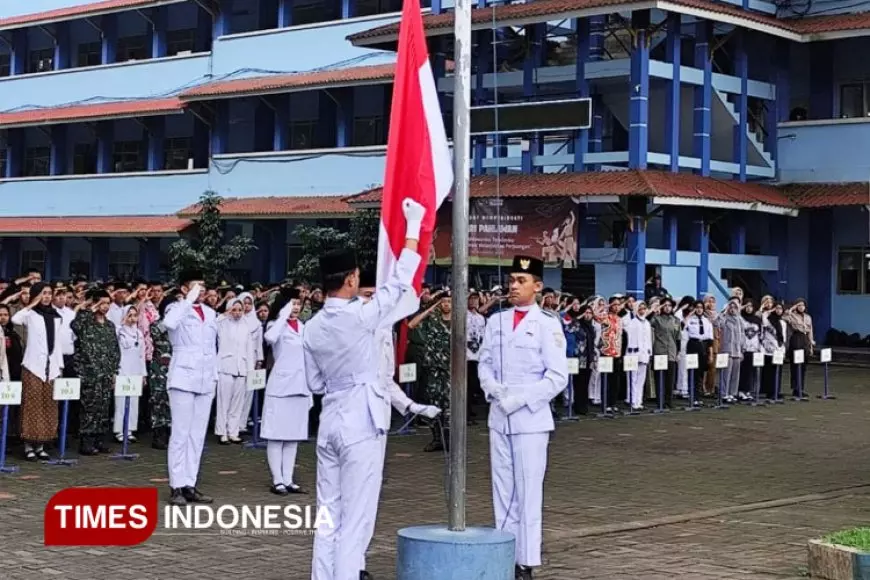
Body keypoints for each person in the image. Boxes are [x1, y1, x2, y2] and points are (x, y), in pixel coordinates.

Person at [303, 197, 425, 580]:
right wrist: (413, 227)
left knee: (328, 515)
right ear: (352, 280)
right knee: (356, 520)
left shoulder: (311, 328)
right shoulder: (359, 316)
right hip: (362, 421)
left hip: (331, 419)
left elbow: (314, 383)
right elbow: (400, 281)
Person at [478, 255, 569, 580]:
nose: (513, 286)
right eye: (512, 280)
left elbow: (558, 376)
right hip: (499, 415)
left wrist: (520, 398)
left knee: (528, 490)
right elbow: (484, 363)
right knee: (502, 489)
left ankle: (525, 561)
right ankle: (505, 551)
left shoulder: (547, 324)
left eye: (521, 281)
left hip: (530, 418)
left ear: (537, 286)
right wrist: (495, 390)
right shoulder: (496, 321)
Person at [163, 270, 218, 506]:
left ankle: (189, 483)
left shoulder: (210, 313)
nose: (201, 291)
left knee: (197, 435)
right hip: (183, 377)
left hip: (206, 377)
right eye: (196, 286)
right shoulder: (175, 309)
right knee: (180, 434)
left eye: (203, 287)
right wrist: (187, 300)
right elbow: (168, 324)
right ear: (184, 289)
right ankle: (176, 485)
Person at [262, 289, 311, 495]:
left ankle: (289, 479)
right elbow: (270, 338)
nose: (296, 308)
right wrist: (282, 315)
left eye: (298, 304)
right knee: (276, 436)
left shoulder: (303, 327)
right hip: (280, 387)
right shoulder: (276, 325)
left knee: (293, 437)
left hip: (300, 387)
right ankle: (277, 480)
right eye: (292, 303)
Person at [13, 282, 64, 460]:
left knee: (48, 406)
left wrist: (60, 366)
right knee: (31, 406)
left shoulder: (57, 316)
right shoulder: (30, 315)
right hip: (33, 366)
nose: (47, 297)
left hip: (52, 367)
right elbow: (15, 319)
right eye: (43, 293)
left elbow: (57, 343)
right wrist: (32, 304)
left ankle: (41, 445)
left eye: (49, 293)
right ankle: (28, 446)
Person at [215, 297, 256, 445]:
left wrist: (250, 370)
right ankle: (222, 432)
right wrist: (227, 313)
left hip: (242, 368)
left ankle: (233, 431)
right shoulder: (223, 324)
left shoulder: (246, 327)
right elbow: (216, 321)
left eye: (240, 310)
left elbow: (249, 350)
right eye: (235, 309)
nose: (238, 313)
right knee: (223, 402)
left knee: (237, 403)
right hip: (225, 366)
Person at [149, 292, 176, 450]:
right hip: (159, 369)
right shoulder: (157, 324)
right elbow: (156, 332)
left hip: (175, 368)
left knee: (173, 401)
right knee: (159, 401)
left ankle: (171, 432)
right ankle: (159, 434)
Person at [115, 306, 146, 442]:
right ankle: (119, 430)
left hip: (135, 370)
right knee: (121, 402)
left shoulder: (139, 333)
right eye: (130, 315)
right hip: (122, 369)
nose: (132, 318)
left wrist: (143, 374)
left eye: (135, 315)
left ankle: (129, 429)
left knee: (134, 401)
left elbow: (142, 355)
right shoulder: (118, 331)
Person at [649, 296, 681, 409]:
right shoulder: (656, 319)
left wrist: (678, 352)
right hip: (659, 350)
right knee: (659, 378)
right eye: (665, 305)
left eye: (669, 306)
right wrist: (655, 309)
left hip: (671, 351)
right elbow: (648, 321)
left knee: (670, 378)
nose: (667, 308)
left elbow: (678, 338)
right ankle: (660, 401)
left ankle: (669, 400)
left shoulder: (676, 320)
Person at [714, 298, 746, 404]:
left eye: (735, 307)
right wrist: (723, 312)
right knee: (725, 373)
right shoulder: (724, 318)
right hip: (726, 349)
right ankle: (724, 393)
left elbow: (742, 335)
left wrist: (742, 349)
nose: (732, 309)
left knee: (735, 374)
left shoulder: (739, 320)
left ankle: (732, 393)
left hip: (737, 350)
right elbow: (716, 323)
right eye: (731, 307)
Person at [784, 298, 815, 397]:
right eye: (799, 305)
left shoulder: (808, 317)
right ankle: (795, 388)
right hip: (796, 338)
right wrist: (792, 309)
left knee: (803, 366)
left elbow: (810, 331)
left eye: (803, 305)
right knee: (795, 365)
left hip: (805, 339)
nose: (801, 307)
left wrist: (811, 345)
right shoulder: (791, 315)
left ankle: (801, 387)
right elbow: (784, 316)